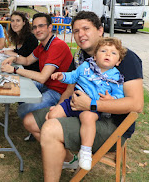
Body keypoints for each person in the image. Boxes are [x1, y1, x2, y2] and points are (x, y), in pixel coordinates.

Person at [22, 11, 143, 181]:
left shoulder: (124, 57)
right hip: (78, 109)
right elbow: (70, 89)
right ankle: (70, 159)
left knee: (49, 129)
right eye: (76, 31)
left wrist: (92, 105)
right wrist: (60, 106)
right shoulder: (81, 57)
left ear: (100, 30)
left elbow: (136, 104)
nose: (80, 34)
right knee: (30, 121)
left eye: (86, 28)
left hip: (112, 124)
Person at [48, 37, 127, 170]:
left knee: (88, 118)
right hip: (73, 101)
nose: (108, 54)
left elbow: (120, 96)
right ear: (95, 56)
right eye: (103, 51)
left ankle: (85, 151)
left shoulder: (116, 77)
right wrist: (63, 76)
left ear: (118, 61)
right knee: (52, 116)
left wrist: (111, 99)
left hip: (91, 107)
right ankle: (63, 148)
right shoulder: (86, 66)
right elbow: (73, 76)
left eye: (113, 53)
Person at [1, 12, 72, 120]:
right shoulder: (42, 46)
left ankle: (41, 118)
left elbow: (42, 78)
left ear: (50, 27)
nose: (37, 30)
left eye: (41, 26)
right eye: (34, 27)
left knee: (22, 110)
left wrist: (15, 69)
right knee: (16, 87)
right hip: (48, 85)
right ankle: (37, 115)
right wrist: (14, 58)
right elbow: (27, 60)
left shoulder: (57, 45)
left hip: (58, 91)